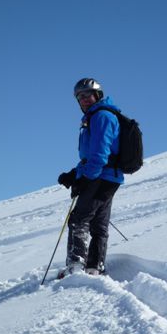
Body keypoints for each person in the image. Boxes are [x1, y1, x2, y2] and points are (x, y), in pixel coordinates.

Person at [57, 78, 124, 277]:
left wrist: (86, 179)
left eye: (88, 95)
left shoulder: (101, 116)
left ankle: (76, 268)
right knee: (99, 224)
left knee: (79, 219)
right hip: (108, 176)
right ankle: (95, 267)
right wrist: (74, 175)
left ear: (98, 95)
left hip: (100, 176)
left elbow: (99, 154)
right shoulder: (96, 116)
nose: (84, 100)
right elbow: (91, 156)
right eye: (80, 97)